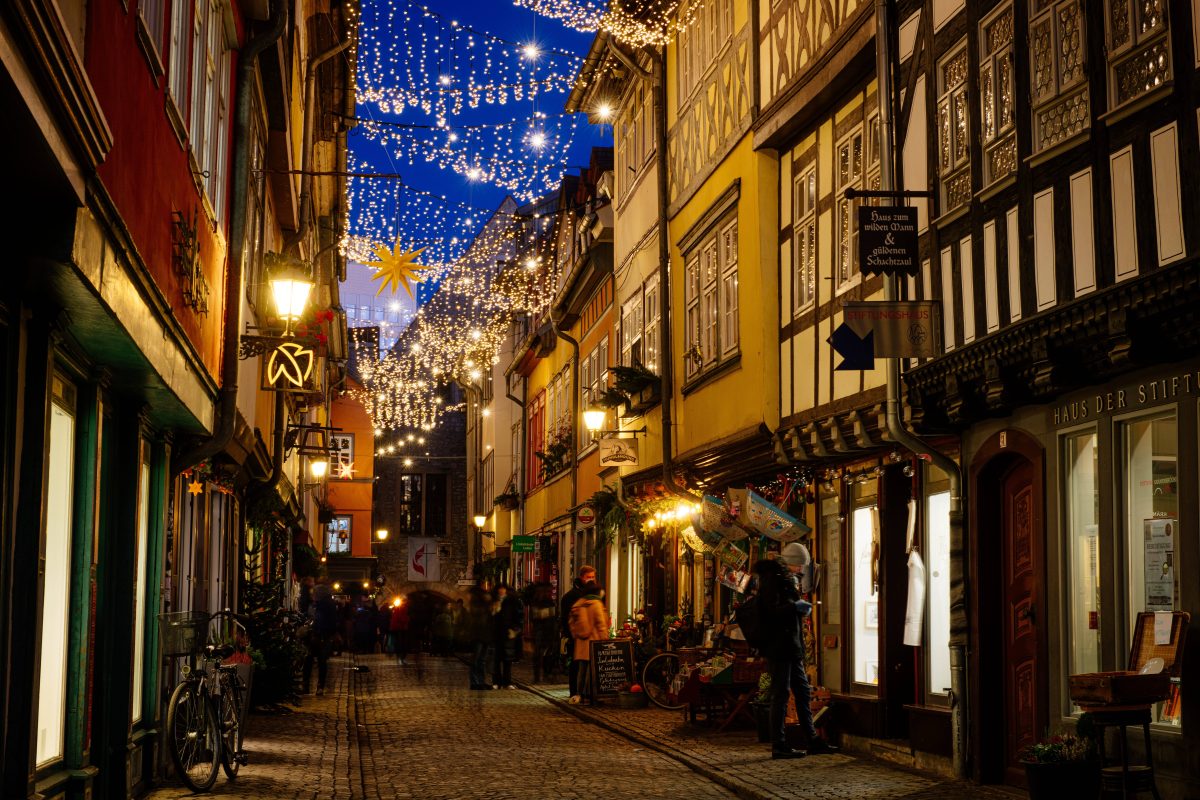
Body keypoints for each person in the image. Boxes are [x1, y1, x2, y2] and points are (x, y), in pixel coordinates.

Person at [752, 548, 836, 759]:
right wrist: (795, 608)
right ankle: (778, 745)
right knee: (780, 695)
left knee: (803, 692)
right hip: (779, 647)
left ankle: (812, 740)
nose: (801, 569)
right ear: (790, 562)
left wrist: (797, 609)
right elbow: (770, 613)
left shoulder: (786, 578)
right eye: (799, 565)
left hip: (791, 646)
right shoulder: (773, 579)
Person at [567, 579, 608, 704]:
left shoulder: (579, 603)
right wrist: (605, 640)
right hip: (594, 641)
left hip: (581, 642)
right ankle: (591, 695)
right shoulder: (596, 604)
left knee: (582, 670)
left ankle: (579, 695)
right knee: (593, 670)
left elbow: (571, 622)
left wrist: (576, 635)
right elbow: (601, 624)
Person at [560, 565, 596, 698]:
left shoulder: (593, 594)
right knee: (575, 665)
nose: (591, 579)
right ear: (582, 577)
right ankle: (575, 692)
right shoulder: (571, 596)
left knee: (585, 666)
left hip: (589, 638)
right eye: (588, 577)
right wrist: (571, 635)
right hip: (576, 637)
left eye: (593, 577)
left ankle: (584, 692)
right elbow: (566, 619)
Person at [303, 581, 338, 696]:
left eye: (315, 593)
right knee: (316, 661)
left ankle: (310, 686)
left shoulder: (324, 605)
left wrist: (316, 629)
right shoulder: (319, 604)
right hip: (320, 636)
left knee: (315, 660)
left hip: (321, 636)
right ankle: (316, 686)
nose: (313, 595)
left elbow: (323, 621)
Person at [491, 583, 524, 688]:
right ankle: (496, 682)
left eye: (503, 589)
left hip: (508, 633)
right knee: (496, 659)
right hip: (496, 633)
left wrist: (515, 629)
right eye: (499, 589)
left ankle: (507, 682)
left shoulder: (512, 601)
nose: (501, 591)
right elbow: (489, 618)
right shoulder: (493, 601)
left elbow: (518, 616)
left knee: (507, 659)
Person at [466, 581, 494, 689]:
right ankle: (474, 682)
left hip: (486, 634)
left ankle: (481, 681)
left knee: (482, 660)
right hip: (478, 634)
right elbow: (475, 615)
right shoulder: (476, 604)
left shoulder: (486, 604)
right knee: (476, 659)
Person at [529, 582, 558, 682]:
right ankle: (544, 675)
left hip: (544, 631)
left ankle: (542, 675)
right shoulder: (543, 602)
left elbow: (535, 617)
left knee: (543, 654)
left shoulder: (544, 602)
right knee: (543, 654)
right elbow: (536, 616)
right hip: (542, 631)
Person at [389, 597, 410, 665]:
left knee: (399, 643)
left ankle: (400, 658)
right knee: (402, 643)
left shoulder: (397, 608)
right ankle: (401, 658)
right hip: (401, 628)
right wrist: (408, 619)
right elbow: (401, 618)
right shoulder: (402, 608)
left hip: (396, 628)